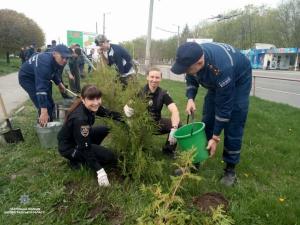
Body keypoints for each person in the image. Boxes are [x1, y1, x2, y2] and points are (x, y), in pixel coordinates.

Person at [171, 42, 252, 186]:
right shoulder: (193, 56)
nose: (186, 72)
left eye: (187, 69)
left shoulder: (222, 67)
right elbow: (191, 76)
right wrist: (190, 98)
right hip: (218, 81)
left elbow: (224, 107)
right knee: (207, 119)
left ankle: (230, 170)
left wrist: (215, 138)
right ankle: (195, 163)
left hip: (240, 79)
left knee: (234, 121)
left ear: (200, 62)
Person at [57, 84, 122, 187]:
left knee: (105, 129)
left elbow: (107, 113)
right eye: (92, 99)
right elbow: (85, 148)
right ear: (83, 99)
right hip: (70, 148)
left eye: (98, 98)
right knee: (109, 157)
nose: (96, 102)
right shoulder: (80, 119)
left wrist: (124, 117)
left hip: (79, 139)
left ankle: (89, 155)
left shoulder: (91, 107)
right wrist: (99, 171)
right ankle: (77, 161)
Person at [123, 67, 180, 157]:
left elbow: (174, 110)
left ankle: (168, 151)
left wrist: (174, 128)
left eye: (157, 77)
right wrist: (126, 106)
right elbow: (130, 103)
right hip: (142, 125)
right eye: (152, 77)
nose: (154, 80)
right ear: (147, 77)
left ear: (161, 79)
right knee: (143, 151)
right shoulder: (140, 91)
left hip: (157, 123)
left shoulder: (163, 94)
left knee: (179, 125)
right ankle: (139, 147)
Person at [18, 44, 71, 127]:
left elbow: (54, 72)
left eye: (67, 58)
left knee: (50, 103)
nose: (65, 60)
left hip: (38, 75)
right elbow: (41, 90)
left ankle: (49, 122)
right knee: (43, 105)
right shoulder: (45, 63)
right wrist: (43, 110)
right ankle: (44, 128)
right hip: (27, 78)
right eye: (63, 57)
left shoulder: (55, 60)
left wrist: (59, 84)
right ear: (54, 54)